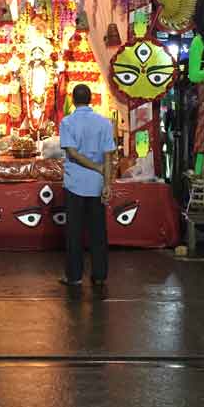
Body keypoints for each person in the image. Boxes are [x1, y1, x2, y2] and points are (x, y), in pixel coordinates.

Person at [59, 84, 116, 286]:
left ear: (73, 101)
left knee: (74, 231)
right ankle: (99, 275)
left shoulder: (67, 122)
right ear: (91, 99)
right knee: (98, 231)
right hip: (96, 185)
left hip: (74, 183)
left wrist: (97, 168)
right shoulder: (104, 123)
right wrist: (107, 182)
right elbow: (109, 155)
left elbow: (72, 153)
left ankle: (74, 276)